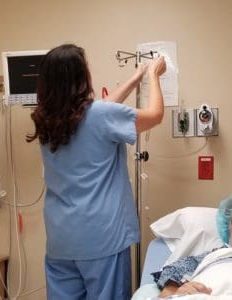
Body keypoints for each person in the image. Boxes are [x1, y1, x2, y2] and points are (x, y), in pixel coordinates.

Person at [27, 43, 166, 300]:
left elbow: (100, 111)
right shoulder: (100, 116)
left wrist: (134, 79)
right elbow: (155, 115)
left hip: (61, 240)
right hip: (102, 238)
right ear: (80, 77)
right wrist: (154, 76)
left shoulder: (47, 120)